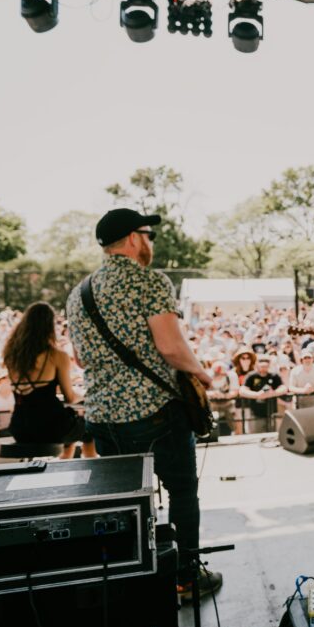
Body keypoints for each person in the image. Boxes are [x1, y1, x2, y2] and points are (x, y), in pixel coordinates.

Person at [66, 208, 219, 599]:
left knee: (127, 504)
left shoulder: (78, 292)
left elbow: (81, 359)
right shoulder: (149, 281)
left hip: (101, 417)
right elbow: (170, 347)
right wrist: (201, 373)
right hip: (152, 414)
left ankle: (133, 580)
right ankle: (186, 577)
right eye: (149, 235)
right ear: (134, 238)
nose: (151, 243)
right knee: (182, 493)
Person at [2, 302, 95, 458]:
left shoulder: (12, 355)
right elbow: (70, 397)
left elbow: (31, 389)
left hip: (20, 426)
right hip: (50, 424)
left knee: (70, 430)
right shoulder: (57, 355)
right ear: (49, 326)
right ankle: (84, 469)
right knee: (88, 430)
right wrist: (85, 396)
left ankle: (63, 463)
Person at [240, 355, 288, 431]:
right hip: (255, 412)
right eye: (261, 361)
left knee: (272, 434)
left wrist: (272, 393)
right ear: (257, 364)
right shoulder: (251, 376)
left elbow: (284, 388)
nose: (264, 365)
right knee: (257, 433)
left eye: (266, 361)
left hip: (272, 411)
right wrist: (257, 395)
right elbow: (242, 391)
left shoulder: (274, 376)